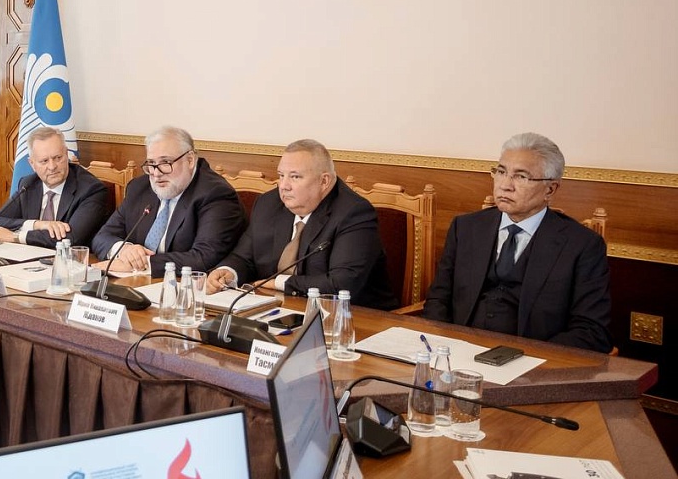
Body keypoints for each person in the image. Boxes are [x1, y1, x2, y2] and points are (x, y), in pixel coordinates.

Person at [422, 133, 612, 352]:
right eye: (501, 172)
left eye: (521, 177)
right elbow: (438, 300)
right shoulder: (466, 228)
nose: (505, 185)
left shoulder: (582, 245)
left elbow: (592, 331)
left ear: (550, 189)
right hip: (457, 354)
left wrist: (529, 358)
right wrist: (443, 347)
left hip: (530, 361)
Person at [206, 139, 398, 309]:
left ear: (324, 181)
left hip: (355, 319)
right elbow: (243, 257)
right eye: (281, 175)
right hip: (279, 310)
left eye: (295, 177)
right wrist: (228, 272)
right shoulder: (268, 204)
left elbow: (342, 285)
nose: (284, 186)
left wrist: (280, 283)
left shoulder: (353, 213)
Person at [91, 126, 246, 277]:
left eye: (165, 163)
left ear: (190, 160)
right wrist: (124, 250)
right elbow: (102, 237)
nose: (156, 173)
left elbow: (204, 257)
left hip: (184, 286)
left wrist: (142, 263)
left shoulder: (215, 194)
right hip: (138, 282)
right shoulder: (139, 187)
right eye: (151, 164)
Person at [0, 127, 110, 248]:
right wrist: (38, 224)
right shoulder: (28, 184)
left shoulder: (91, 190)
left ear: (66, 154)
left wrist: (16, 236)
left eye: (58, 158)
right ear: (32, 164)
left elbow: (70, 239)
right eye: (44, 161)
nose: (52, 167)